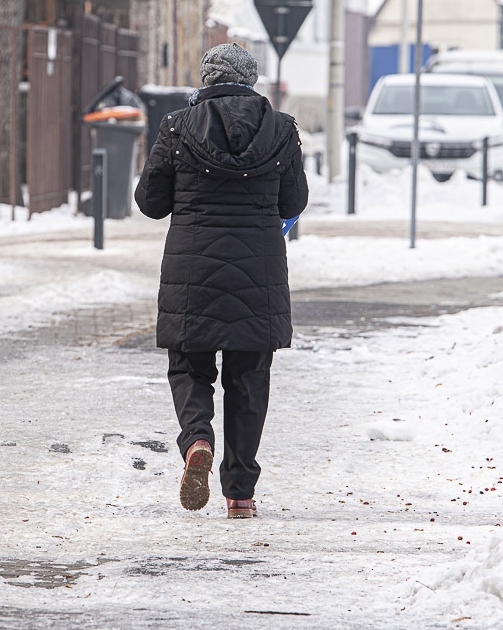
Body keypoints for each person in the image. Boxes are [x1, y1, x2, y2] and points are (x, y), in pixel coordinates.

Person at [134, 43, 308, 519]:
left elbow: (150, 202)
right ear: (250, 80)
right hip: (259, 274)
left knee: (190, 368)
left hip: (193, 274)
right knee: (249, 381)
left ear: (207, 78)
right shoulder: (282, 129)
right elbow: (294, 200)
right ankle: (241, 494)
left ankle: (197, 442)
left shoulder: (176, 126)